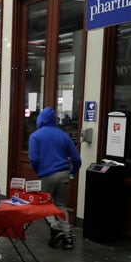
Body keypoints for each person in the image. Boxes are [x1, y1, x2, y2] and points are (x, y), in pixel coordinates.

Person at [28, 106, 82, 249]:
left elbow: (33, 159)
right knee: (60, 204)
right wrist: (72, 173)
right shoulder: (63, 135)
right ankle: (68, 237)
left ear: (41, 120)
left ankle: (55, 228)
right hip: (64, 174)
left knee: (44, 204)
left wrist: (39, 171)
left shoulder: (35, 136)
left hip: (47, 175)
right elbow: (77, 159)